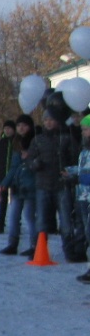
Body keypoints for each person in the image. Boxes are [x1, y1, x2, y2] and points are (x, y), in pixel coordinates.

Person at [23, 109, 78, 260]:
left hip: (62, 186)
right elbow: (29, 160)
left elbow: (74, 159)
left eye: (51, 120)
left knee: (66, 220)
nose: (48, 122)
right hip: (43, 185)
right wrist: (35, 164)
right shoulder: (38, 140)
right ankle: (39, 248)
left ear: (57, 121)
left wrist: (70, 173)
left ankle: (69, 250)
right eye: (46, 120)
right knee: (41, 219)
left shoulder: (66, 138)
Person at [0, 115, 37, 257]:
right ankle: (12, 244)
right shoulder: (16, 142)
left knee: (29, 216)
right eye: (19, 125)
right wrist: (5, 182)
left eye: (24, 125)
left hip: (30, 186)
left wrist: (29, 158)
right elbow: (14, 166)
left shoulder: (35, 141)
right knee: (14, 216)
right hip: (17, 186)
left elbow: (38, 164)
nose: (21, 128)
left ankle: (35, 245)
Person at [74, 115, 90, 283]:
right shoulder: (84, 151)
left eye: (86, 129)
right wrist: (71, 173)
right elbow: (82, 170)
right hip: (84, 196)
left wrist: (83, 178)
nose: (84, 132)